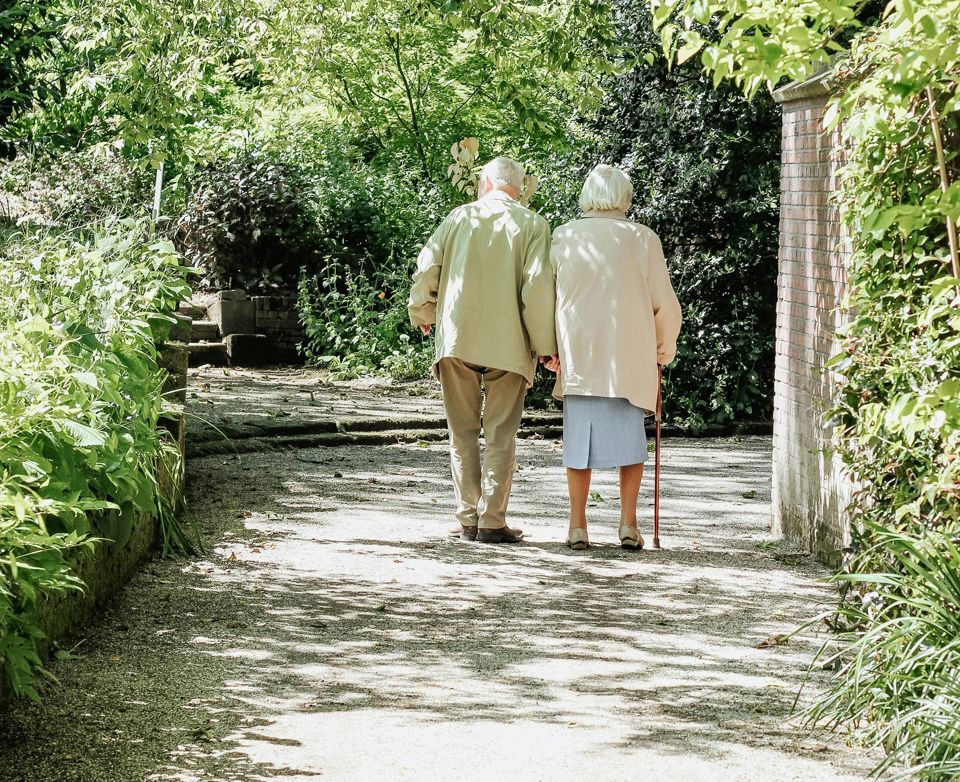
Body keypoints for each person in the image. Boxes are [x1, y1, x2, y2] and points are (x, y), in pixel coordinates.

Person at [408, 156, 557, 543]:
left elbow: (428, 267)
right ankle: (492, 521)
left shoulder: (458, 218)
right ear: (519, 188)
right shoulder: (534, 225)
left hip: (458, 337)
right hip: (510, 344)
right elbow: (537, 289)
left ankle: (467, 517)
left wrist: (422, 310)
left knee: (462, 431)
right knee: (500, 433)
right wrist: (545, 346)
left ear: (485, 183)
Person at [547, 164, 682, 550]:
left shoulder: (564, 236)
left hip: (580, 354)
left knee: (578, 444)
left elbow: (547, 298)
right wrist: (663, 346)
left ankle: (577, 525)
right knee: (630, 443)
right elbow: (665, 303)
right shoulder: (642, 239)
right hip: (629, 355)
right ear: (625, 196)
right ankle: (627, 523)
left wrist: (549, 349)